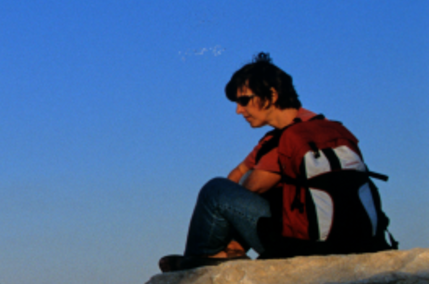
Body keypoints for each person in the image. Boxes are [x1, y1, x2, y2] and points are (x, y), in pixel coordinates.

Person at [159, 52, 387, 272]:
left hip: (302, 245)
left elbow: (250, 186)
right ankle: (225, 254)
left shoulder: (288, 140)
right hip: (356, 240)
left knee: (215, 191)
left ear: (271, 95)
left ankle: (197, 262)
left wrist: (245, 190)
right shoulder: (323, 127)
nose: (239, 110)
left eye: (244, 100)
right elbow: (240, 172)